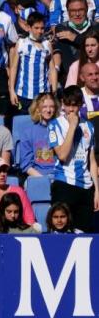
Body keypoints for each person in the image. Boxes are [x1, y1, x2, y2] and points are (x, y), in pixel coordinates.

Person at [48, 85, 99, 233]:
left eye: (74, 105)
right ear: (63, 103)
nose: (71, 109)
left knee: (83, 234)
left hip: (86, 187)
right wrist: (72, 126)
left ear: (80, 105)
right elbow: (62, 155)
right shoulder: (55, 125)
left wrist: (97, 190)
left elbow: (92, 160)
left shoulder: (89, 126)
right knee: (61, 231)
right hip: (64, 184)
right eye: (67, 105)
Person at [8, 12, 57, 114]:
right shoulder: (21, 43)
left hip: (42, 95)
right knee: (24, 124)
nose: (40, 31)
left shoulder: (47, 44)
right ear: (29, 27)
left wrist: (54, 90)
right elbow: (14, 67)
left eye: (42, 28)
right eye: (36, 28)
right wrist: (12, 91)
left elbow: (52, 69)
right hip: (23, 94)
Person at [18, 93, 57, 177]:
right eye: (44, 107)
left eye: (51, 107)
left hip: (59, 176)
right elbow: (26, 165)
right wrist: (43, 180)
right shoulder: (28, 133)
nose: (48, 110)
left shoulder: (61, 129)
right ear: (38, 109)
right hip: (38, 176)